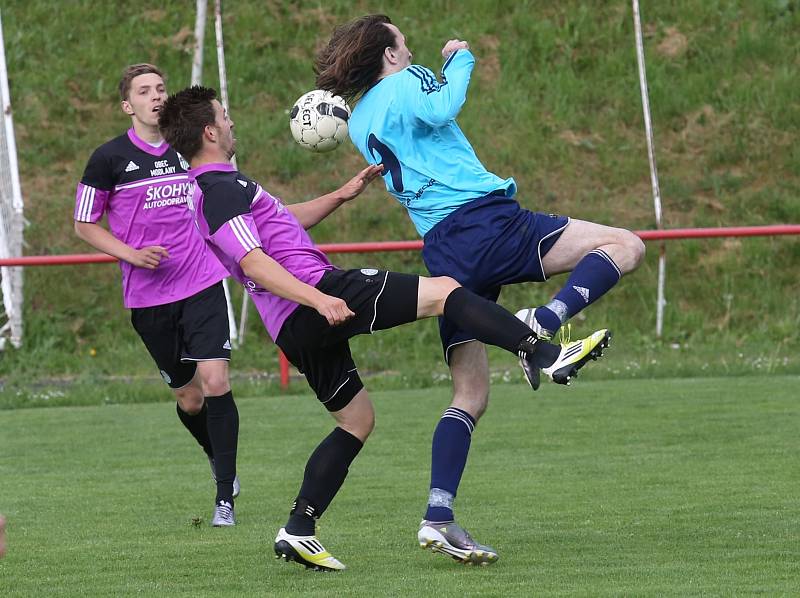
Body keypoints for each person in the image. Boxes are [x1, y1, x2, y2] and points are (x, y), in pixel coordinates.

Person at [157, 85, 609, 571]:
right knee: (444, 291)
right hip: (315, 296)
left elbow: (280, 224)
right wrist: (320, 298)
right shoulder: (218, 191)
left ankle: (299, 529)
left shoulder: (223, 185)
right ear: (208, 131)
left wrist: (342, 195)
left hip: (294, 322)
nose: (230, 124)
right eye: (224, 117)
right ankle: (541, 351)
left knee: (356, 421)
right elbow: (255, 261)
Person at [314, 14, 645, 564]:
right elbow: (442, 106)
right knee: (625, 246)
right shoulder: (408, 79)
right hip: (486, 223)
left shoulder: (358, 121)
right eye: (402, 39)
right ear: (390, 55)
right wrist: (459, 60)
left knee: (469, 395)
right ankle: (546, 321)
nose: (409, 45)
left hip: (444, 250)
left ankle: (438, 515)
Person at [73, 64, 240, 527]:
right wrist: (131, 253)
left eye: (161, 89)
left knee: (216, 382)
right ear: (128, 105)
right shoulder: (108, 159)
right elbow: (83, 224)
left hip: (202, 282)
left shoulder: (190, 150)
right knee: (189, 399)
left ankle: (225, 495)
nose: (156, 96)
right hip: (148, 298)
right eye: (144, 91)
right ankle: (216, 456)